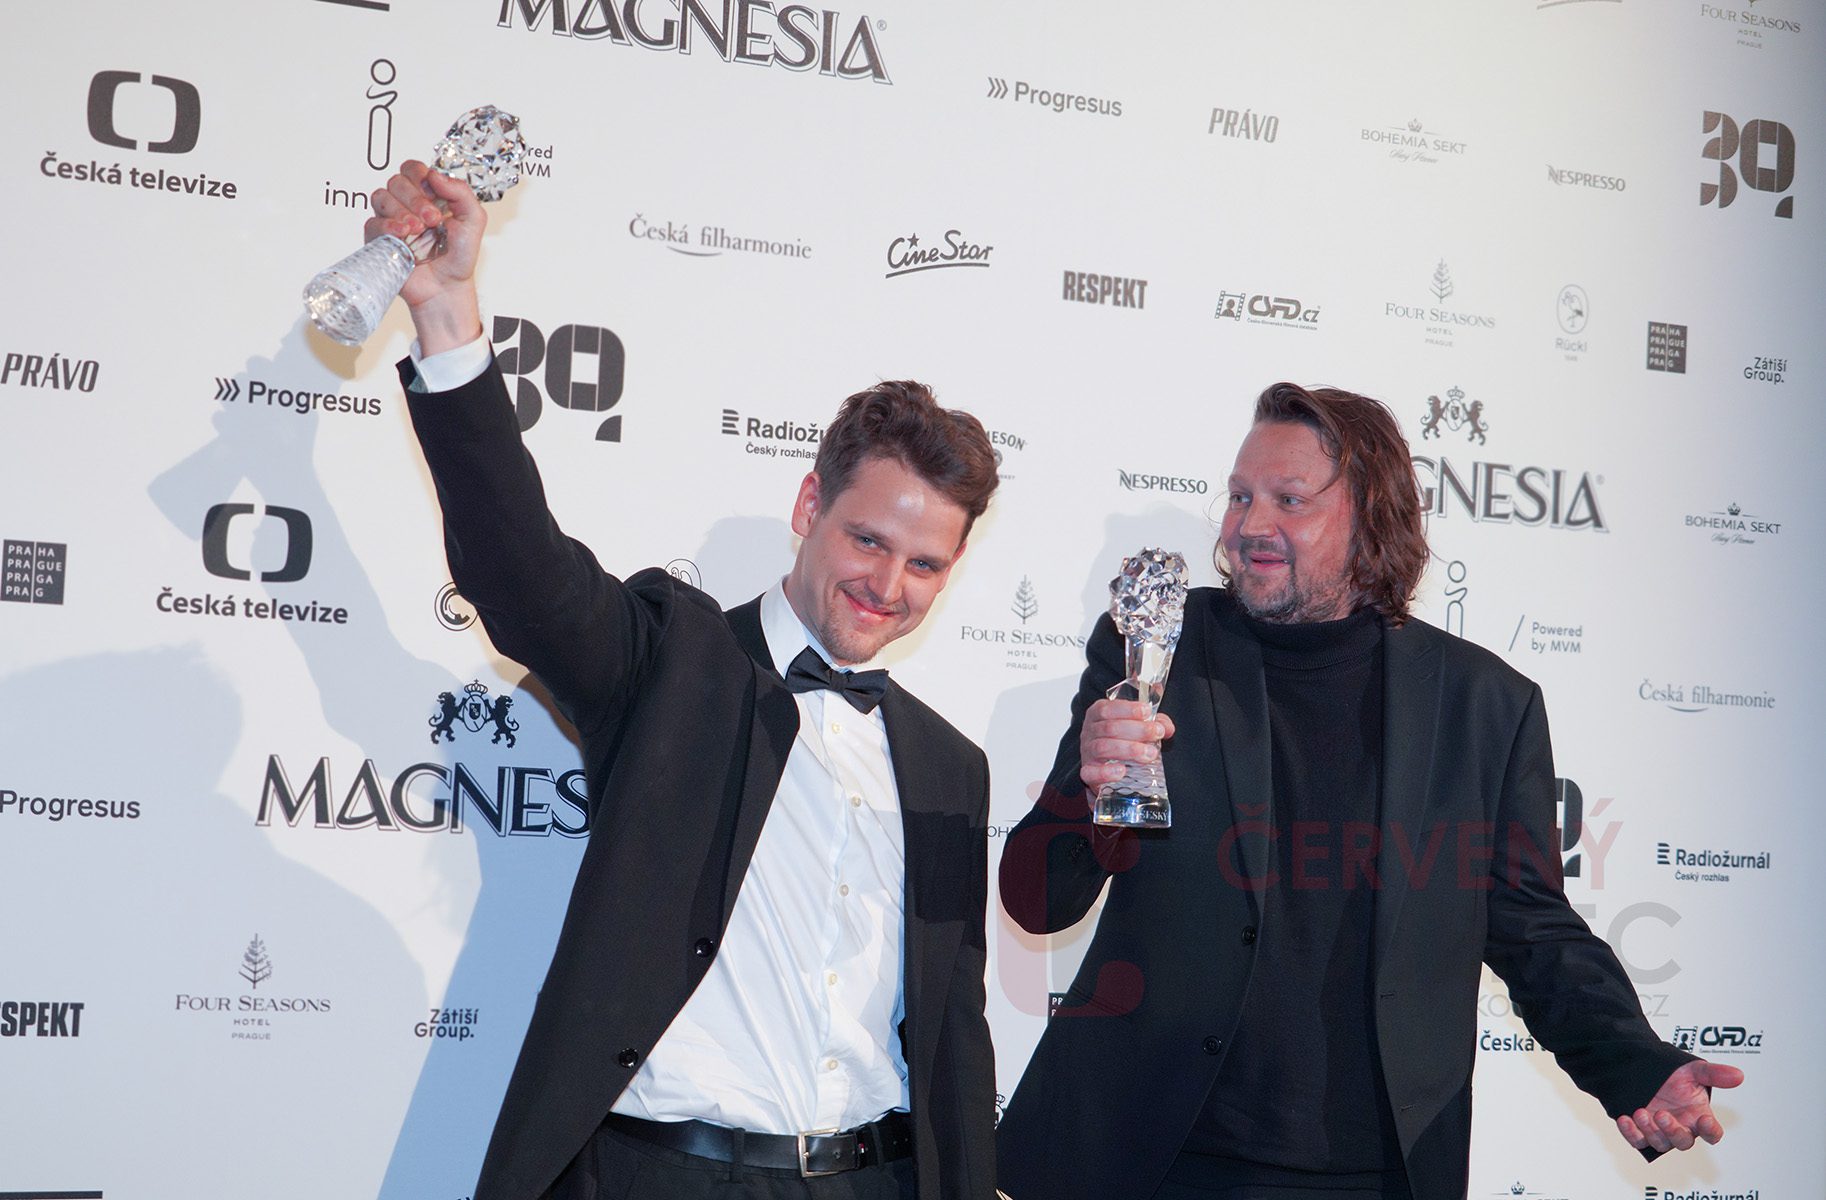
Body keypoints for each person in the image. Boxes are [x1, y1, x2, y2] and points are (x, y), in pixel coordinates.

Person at [366, 160, 999, 1200]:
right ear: (808, 506)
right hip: (669, 1176)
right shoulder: (671, 663)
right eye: (867, 540)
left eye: (924, 564)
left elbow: (953, 1040)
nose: (888, 587)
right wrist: (445, 313)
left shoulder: (949, 765)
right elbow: (522, 573)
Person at [994, 383, 1743, 1200]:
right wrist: (1089, 789)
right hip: (1151, 1157)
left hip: (1372, 1171)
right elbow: (1038, 900)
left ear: (1372, 517)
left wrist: (1636, 1063)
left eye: (1289, 500)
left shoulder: (1484, 706)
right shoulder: (1161, 650)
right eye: (1239, 496)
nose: (1249, 525)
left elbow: (1533, 929)